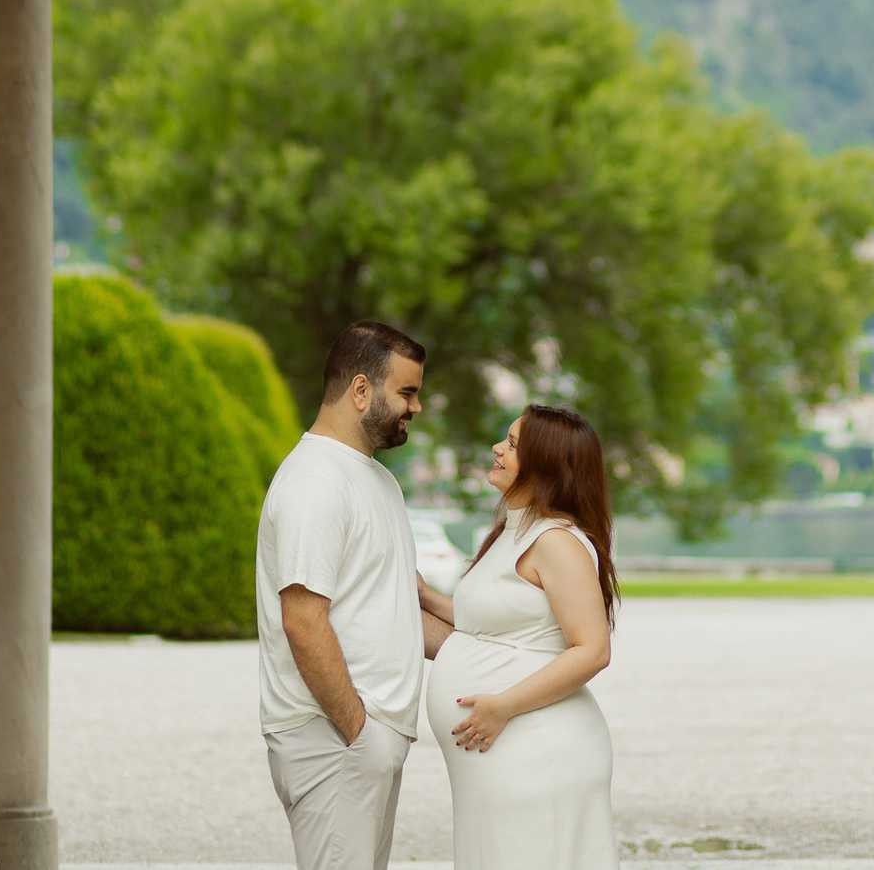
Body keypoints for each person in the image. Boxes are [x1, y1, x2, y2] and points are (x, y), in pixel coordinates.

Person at [256, 319, 453, 870]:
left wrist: (496, 651)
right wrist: (360, 733)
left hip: (365, 740)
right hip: (334, 738)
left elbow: (393, 613)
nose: (416, 407)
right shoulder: (315, 483)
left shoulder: (376, 479)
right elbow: (302, 619)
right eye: (407, 392)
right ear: (361, 389)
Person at [418, 402, 621, 870]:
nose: (497, 448)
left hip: (536, 748)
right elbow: (496, 624)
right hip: (504, 753)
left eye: (512, 444)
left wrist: (502, 705)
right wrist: (428, 597)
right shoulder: (513, 531)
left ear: (546, 463)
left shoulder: (555, 541)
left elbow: (593, 650)